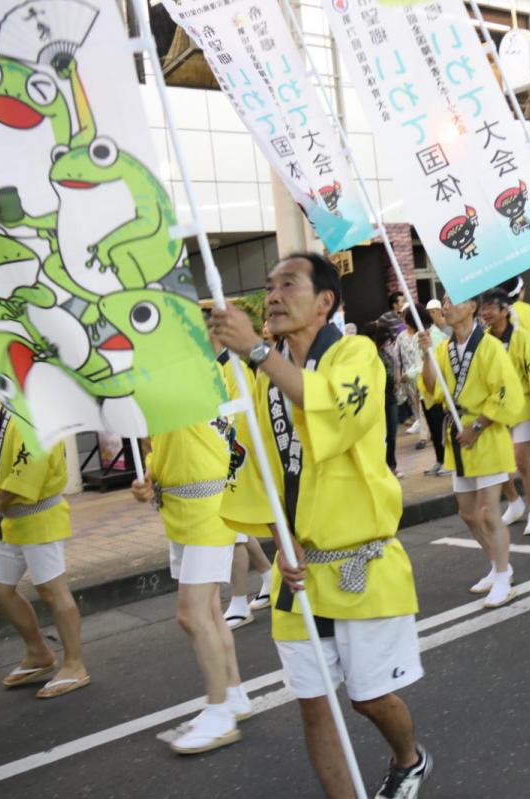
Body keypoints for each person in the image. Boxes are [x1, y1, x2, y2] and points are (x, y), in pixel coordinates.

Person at [212, 253, 430, 797]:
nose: (274, 295)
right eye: (269, 286)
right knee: (315, 707)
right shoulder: (266, 377)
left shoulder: (355, 354)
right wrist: (279, 539)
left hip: (362, 560)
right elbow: (267, 467)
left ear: (325, 301)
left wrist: (257, 351)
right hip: (300, 569)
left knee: (367, 698)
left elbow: (329, 406)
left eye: (289, 284)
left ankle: (408, 758)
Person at [131, 410, 251, 752]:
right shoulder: (161, 388)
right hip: (182, 510)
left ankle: (218, 713)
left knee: (193, 615)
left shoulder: (191, 376)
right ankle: (233, 695)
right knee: (210, 613)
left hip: (207, 511)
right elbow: (161, 446)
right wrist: (149, 476)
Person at [0, 400, 89, 698]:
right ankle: (38, 652)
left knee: (52, 590)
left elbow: (34, 461)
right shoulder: (4, 405)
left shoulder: (38, 403)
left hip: (38, 515)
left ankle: (75, 664)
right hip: (10, 518)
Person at [420, 294, 524, 609]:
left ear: (471, 308)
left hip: (485, 436)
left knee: (488, 511)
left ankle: (504, 579)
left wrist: (477, 426)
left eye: (453, 302)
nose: (445, 307)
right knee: (467, 512)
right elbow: (431, 388)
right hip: (459, 439)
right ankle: (497, 564)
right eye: (444, 303)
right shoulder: (443, 348)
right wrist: (425, 354)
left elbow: (507, 392)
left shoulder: (490, 346)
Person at [207, 321, 276, 629]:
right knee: (236, 524)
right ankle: (268, 575)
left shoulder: (234, 367)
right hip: (218, 453)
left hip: (235, 453)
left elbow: (238, 414)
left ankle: (238, 601)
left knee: (232, 529)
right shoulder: (211, 368)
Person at [479, 291, 530, 536]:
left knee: (521, 460)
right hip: (496, 409)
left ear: (505, 310)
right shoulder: (484, 340)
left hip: (522, 408)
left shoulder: (521, 337)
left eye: (490, 307)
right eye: (483, 308)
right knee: (497, 461)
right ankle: (514, 501)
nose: (485, 312)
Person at [404, 305, 451, 476]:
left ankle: (448, 461)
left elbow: (431, 363)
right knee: (433, 427)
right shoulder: (421, 335)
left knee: (441, 427)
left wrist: (409, 374)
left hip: (437, 390)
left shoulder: (435, 336)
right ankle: (440, 460)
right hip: (425, 391)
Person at [363, 321, 403, 479]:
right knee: (381, 434)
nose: (387, 342)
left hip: (390, 397)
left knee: (392, 432)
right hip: (376, 398)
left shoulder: (387, 352)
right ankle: (382, 467)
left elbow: (394, 369)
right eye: (384, 339)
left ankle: (391, 465)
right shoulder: (367, 355)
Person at [397, 307, 430, 451]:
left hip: (422, 374)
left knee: (424, 406)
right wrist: (399, 377)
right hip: (408, 378)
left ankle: (423, 436)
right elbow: (397, 358)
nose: (404, 320)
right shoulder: (401, 336)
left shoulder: (423, 335)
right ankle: (427, 429)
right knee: (416, 406)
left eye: (406, 317)